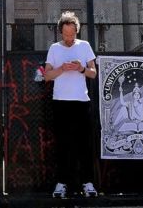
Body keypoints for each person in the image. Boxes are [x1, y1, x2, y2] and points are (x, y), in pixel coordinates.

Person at [44, 11, 98, 198]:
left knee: (85, 144)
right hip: (60, 102)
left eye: (72, 34)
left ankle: (88, 183)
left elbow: (93, 73)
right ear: (61, 32)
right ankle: (62, 183)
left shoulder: (85, 46)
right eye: (66, 34)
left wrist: (80, 68)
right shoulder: (54, 48)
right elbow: (47, 75)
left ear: (77, 31)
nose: (69, 38)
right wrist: (62, 69)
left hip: (81, 102)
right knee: (62, 145)